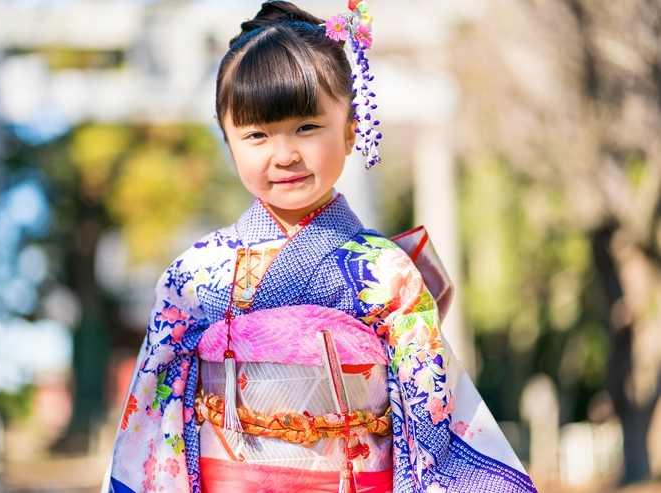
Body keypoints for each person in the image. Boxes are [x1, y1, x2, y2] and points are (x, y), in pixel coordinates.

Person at [104, 2, 537, 493]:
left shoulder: (386, 273)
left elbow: (429, 412)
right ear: (228, 142)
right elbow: (154, 411)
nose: (285, 153)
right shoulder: (195, 275)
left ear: (351, 128)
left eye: (307, 127)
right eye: (256, 135)